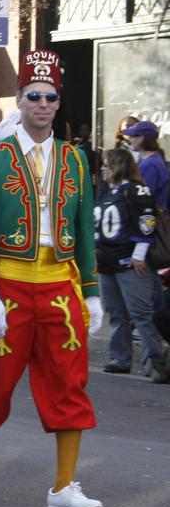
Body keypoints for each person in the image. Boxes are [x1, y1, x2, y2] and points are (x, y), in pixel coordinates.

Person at [0, 49, 104, 507]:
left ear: (59, 103)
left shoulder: (75, 160)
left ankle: (64, 486)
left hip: (60, 287)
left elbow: (83, 232)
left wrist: (93, 292)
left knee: (68, 384)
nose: (42, 103)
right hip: (9, 286)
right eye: (33, 95)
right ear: (18, 100)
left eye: (49, 96)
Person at [95, 149, 169, 382]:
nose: (102, 169)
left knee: (140, 314)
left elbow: (146, 222)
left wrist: (138, 255)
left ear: (118, 165)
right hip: (106, 262)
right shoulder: (105, 191)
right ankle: (120, 359)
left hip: (129, 263)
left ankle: (159, 361)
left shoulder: (137, 190)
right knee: (116, 313)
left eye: (107, 164)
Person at [123, 120, 169, 211]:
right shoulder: (149, 159)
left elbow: (144, 197)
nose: (129, 139)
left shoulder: (151, 164)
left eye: (132, 136)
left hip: (149, 219)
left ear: (141, 138)